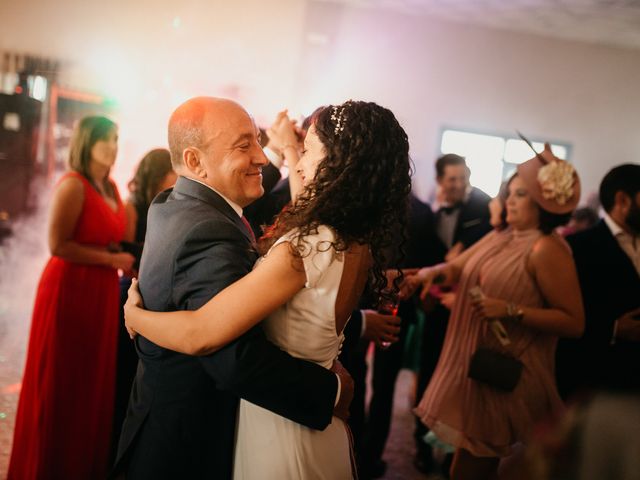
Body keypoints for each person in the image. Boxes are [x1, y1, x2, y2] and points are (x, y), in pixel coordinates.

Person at [123, 99, 412, 479]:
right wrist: (292, 149)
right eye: (246, 145)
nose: (294, 162)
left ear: (336, 166)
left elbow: (202, 334)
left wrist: (136, 317)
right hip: (298, 422)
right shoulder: (347, 236)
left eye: (307, 151)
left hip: (281, 426)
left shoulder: (306, 244)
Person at [403, 143, 585, 480]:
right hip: (479, 363)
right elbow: (455, 268)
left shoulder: (547, 248)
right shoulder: (504, 235)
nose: (509, 200)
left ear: (543, 203)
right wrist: (422, 277)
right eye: (509, 192)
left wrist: (511, 310)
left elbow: (574, 322)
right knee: (468, 465)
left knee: (471, 467)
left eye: (520, 194)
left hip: (509, 370)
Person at [8, 116, 135, 480]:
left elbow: (112, 237)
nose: (112, 146)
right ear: (86, 143)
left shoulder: (110, 186)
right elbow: (58, 245)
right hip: (68, 289)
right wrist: (112, 260)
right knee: (62, 380)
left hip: (100, 292)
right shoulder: (73, 185)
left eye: (115, 138)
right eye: (105, 139)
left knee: (91, 382)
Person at [414, 153, 492, 475]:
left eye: (463, 177)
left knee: (460, 383)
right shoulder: (429, 212)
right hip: (434, 309)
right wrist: (425, 298)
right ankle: (421, 445)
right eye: (452, 179)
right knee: (429, 375)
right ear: (440, 182)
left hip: (468, 308)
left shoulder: (485, 208)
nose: (458, 184)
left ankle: (451, 455)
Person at [111, 148, 177, 459]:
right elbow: (124, 251)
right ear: (159, 174)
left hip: (149, 287)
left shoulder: (169, 202)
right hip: (130, 287)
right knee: (126, 367)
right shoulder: (133, 206)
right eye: (171, 171)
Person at [556, 164, 640, 399]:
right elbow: (564, 315)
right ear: (622, 200)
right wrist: (613, 329)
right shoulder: (579, 247)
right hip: (597, 381)